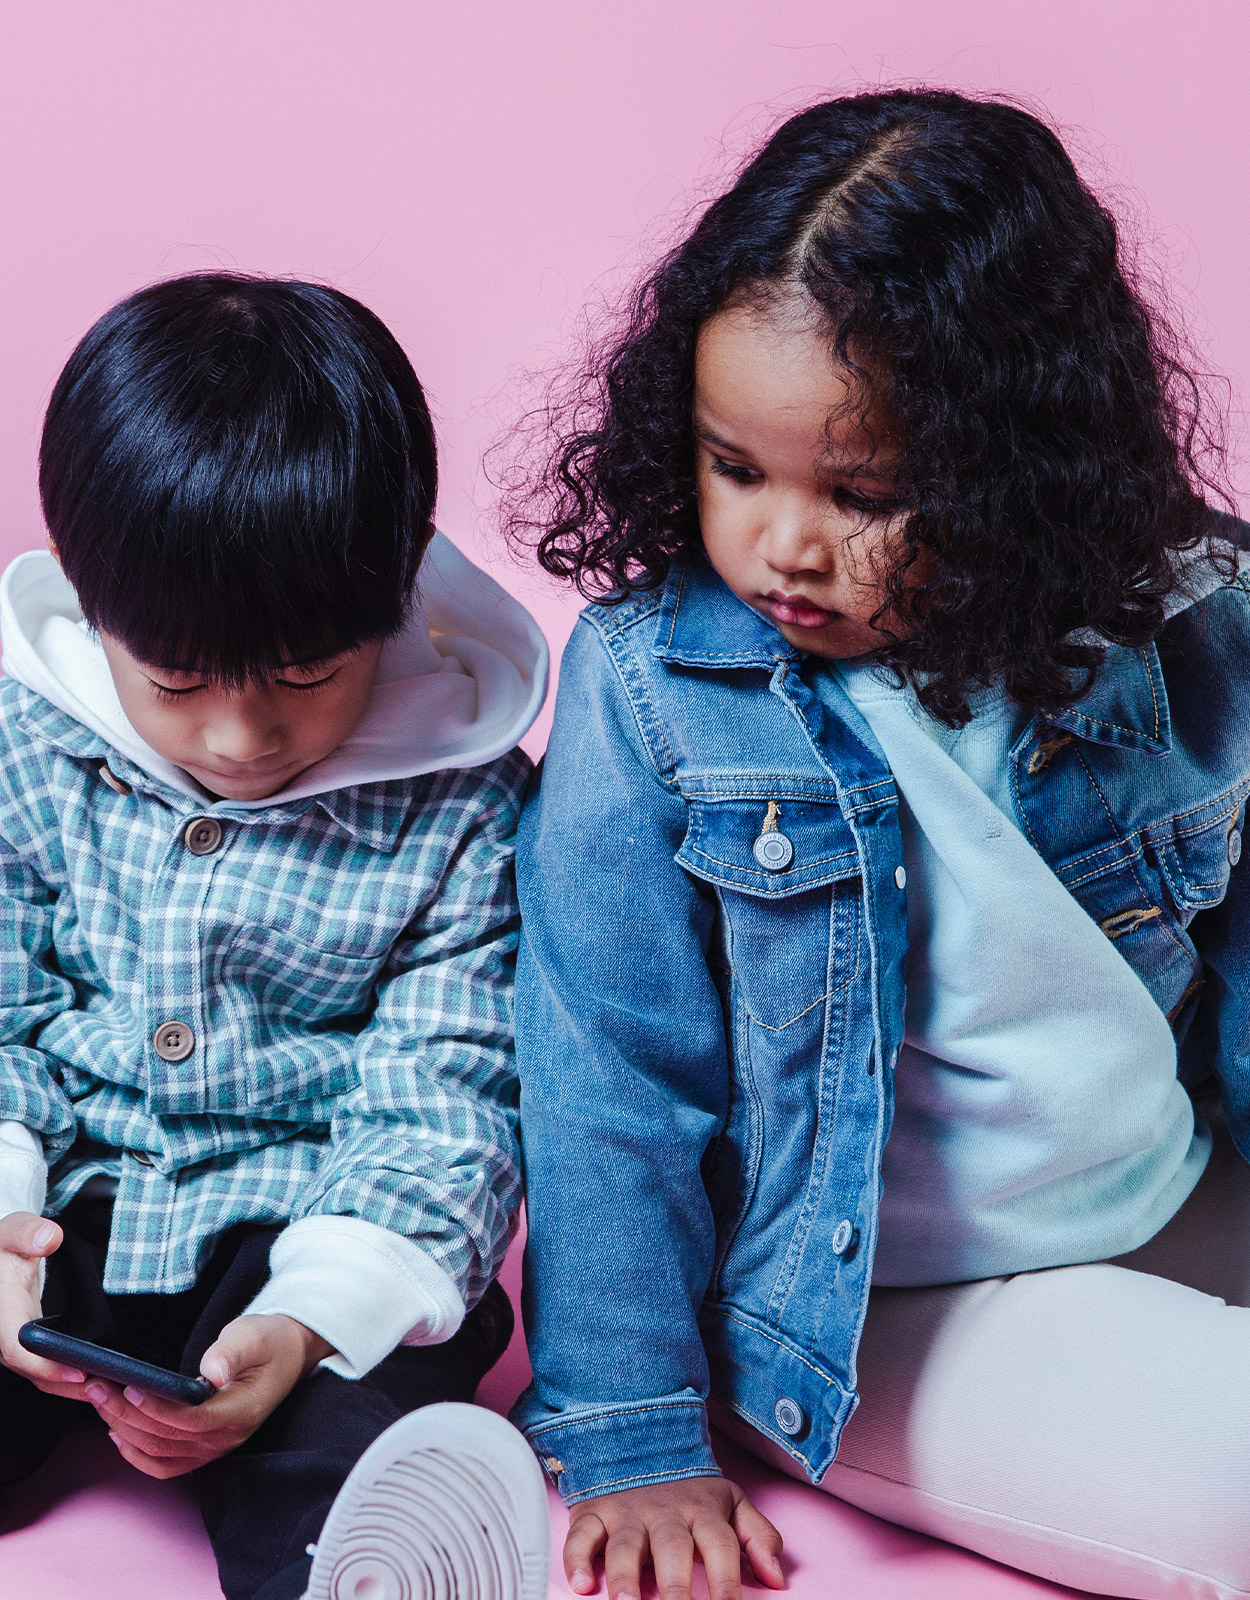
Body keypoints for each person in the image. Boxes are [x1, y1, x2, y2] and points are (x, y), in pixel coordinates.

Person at [510, 89, 1250, 1600]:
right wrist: (636, 1441)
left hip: (1172, 1202)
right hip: (866, 1308)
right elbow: (605, 1072)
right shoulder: (657, 689)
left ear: (1012, 471)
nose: (783, 544)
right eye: (734, 469)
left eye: (862, 497)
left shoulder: (1180, 616)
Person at [0, 272, 550, 1600]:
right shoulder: (27, 740)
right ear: (91, 599)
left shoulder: (468, 801)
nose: (242, 739)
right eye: (176, 683)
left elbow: (447, 1095)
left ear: (401, 588)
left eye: (309, 676)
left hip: (307, 1233)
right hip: (58, 1211)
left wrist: (310, 1321)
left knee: (358, 1441)